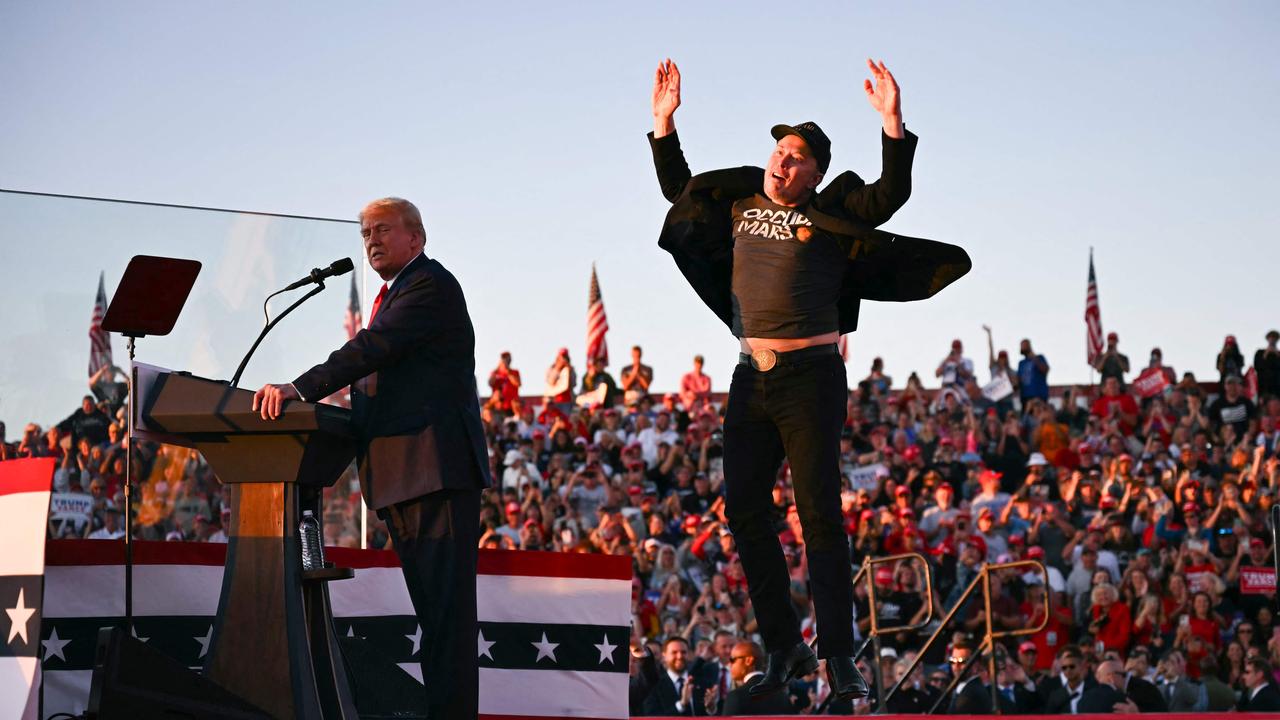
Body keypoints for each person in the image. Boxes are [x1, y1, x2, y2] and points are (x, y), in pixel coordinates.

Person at [646, 57, 968, 703]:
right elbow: (679, 191)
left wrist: (892, 124)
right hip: (750, 378)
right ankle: (783, 644)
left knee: (820, 517)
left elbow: (889, 196)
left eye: (796, 157)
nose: (781, 162)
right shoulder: (737, 204)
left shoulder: (830, 211)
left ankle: (840, 655)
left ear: (815, 172)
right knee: (743, 510)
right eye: (778, 151)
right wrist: (663, 123)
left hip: (811, 376)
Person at [252, 197, 491, 718]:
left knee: (446, 623)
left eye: (383, 230)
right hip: (406, 477)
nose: (372, 241)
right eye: (365, 234)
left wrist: (301, 388)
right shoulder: (397, 292)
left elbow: (373, 348)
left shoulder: (429, 285)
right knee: (435, 618)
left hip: (435, 475)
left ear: (416, 238)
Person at [713, 640, 796, 715]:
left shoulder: (736, 696)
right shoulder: (781, 694)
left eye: (732, 660)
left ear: (748, 660)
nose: (730, 664)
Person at [486, 351, 522, 415]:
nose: (506, 361)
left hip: (511, 407)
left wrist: (508, 371)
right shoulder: (495, 372)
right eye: (504, 359)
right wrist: (498, 368)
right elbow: (490, 383)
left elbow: (518, 383)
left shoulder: (515, 372)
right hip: (498, 406)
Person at [1016, 339, 1049, 405]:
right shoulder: (1021, 363)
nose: (1021, 348)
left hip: (1039, 395)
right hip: (1025, 397)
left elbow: (1045, 369)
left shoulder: (1040, 357)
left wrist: (1034, 357)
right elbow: (1019, 380)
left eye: (1023, 345)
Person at [1255, 329, 1280, 400]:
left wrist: (1277, 354)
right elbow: (1257, 366)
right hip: (1263, 387)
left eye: (1275, 338)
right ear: (1267, 339)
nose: (1272, 340)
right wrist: (1266, 354)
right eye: (1271, 337)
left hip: (1277, 388)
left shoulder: (1278, 354)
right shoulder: (1260, 352)